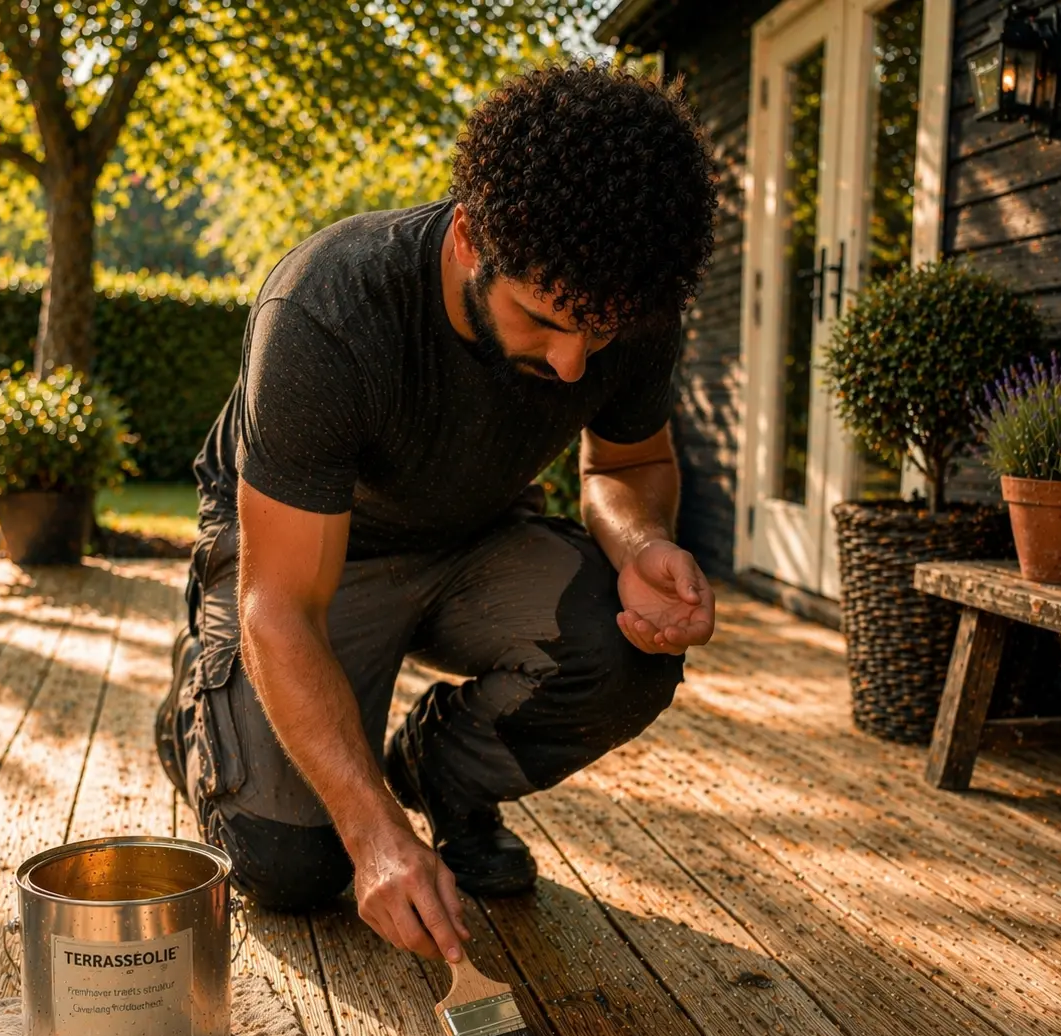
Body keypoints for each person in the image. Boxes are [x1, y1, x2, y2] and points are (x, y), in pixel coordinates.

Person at [156, 62, 718, 965]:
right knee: (296, 869)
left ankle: (435, 772)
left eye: (599, 335)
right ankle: (203, 703)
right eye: (541, 319)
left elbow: (629, 462)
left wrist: (643, 540)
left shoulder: (624, 295)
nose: (574, 364)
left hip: (476, 540)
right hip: (306, 565)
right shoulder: (328, 310)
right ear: (466, 238)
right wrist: (375, 835)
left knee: (624, 654)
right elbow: (281, 605)